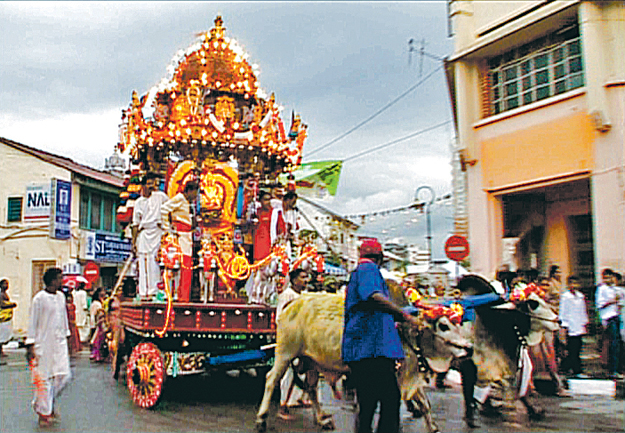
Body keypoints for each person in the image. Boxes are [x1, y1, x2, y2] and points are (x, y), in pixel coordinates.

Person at [342, 238, 419, 433]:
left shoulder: (358, 272)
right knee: (390, 399)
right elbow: (373, 296)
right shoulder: (368, 270)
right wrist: (404, 316)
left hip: (363, 349)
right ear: (380, 258)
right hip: (371, 349)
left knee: (368, 404)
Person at [25, 268, 71, 427]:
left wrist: (67, 337)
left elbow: (63, 319)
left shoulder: (61, 297)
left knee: (64, 376)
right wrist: (30, 344)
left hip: (59, 343)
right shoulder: (39, 299)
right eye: (59, 278)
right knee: (43, 380)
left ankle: (44, 402)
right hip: (42, 344)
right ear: (51, 281)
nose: (62, 281)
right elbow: (32, 322)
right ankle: (44, 412)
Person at [277, 269, 309, 420]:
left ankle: (298, 399)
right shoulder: (287, 295)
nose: (306, 280)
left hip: (303, 339)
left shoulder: (304, 296)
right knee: (288, 372)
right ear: (294, 280)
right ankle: (283, 406)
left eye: (306, 277)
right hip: (291, 339)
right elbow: (281, 317)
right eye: (303, 277)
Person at [132, 172, 169, 299]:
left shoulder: (161, 197)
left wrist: (166, 227)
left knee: (155, 263)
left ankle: (154, 291)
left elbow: (169, 210)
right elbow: (135, 224)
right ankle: (143, 292)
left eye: (153, 183)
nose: (151, 186)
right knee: (143, 263)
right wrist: (133, 242)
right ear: (143, 185)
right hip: (143, 233)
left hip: (157, 232)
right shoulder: (138, 202)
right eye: (148, 184)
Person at [161, 180, 199, 303]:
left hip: (187, 237)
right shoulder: (179, 198)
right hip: (180, 237)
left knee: (187, 268)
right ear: (189, 191)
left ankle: (184, 297)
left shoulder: (188, 203)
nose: (195, 195)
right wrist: (168, 229)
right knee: (180, 268)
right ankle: (177, 297)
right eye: (194, 192)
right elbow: (164, 209)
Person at [559, 275, 589, 378]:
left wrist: (584, 323)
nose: (574, 285)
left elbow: (583, 310)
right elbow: (563, 312)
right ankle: (576, 370)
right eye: (572, 283)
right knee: (572, 349)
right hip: (570, 326)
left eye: (576, 283)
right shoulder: (565, 297)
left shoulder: (580, 296)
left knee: (578, 347)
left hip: (578, 325)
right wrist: (564, 326)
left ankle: (567, 368)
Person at [595, 268, 623, 379]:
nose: (608, 279)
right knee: (613, 343)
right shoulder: (602, 289)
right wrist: (611, 301)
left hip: (616, 316)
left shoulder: (614, 289)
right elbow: (600, 304)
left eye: (610, 277)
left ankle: (617, 367)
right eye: (606, 277)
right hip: (608, 317)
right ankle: (612, 369)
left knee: (617, 343)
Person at [252, 191, 284, 262]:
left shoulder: (275, 213)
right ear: (260, 201)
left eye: (269, 199)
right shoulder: (256, 212)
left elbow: (281, 230)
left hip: (271, 247)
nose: (268, 202)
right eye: (265, 200)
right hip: (257, 249)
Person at [0, 278, 17, 364]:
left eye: (7, 284)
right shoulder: (1, 294)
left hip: (6, 318)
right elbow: (2, 304)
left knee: (3, 336)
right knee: (1, 335)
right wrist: (11, 304)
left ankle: (1, 351)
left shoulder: (4, 294)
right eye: (4, 284)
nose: (6, 286)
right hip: (2, 318)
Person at [89, 287, 107, 362]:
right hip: (97, 323)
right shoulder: (97, 304)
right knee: (98, 340)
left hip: (97, 323)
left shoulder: (97, 302)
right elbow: (95, 314)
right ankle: (97, 355)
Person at [73, 280, 90, 346]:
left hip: (76, 311)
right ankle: (83, 339)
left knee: (79, 326)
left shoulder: (75, 293)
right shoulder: (83, 293)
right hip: (82, 312)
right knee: (84, 325)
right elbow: (84, 304)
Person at [64, 292, 81, 356]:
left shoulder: (71, 306)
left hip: (71, 322)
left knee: (72, 337)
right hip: (70, 322)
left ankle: (72, 350)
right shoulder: (68, 306)